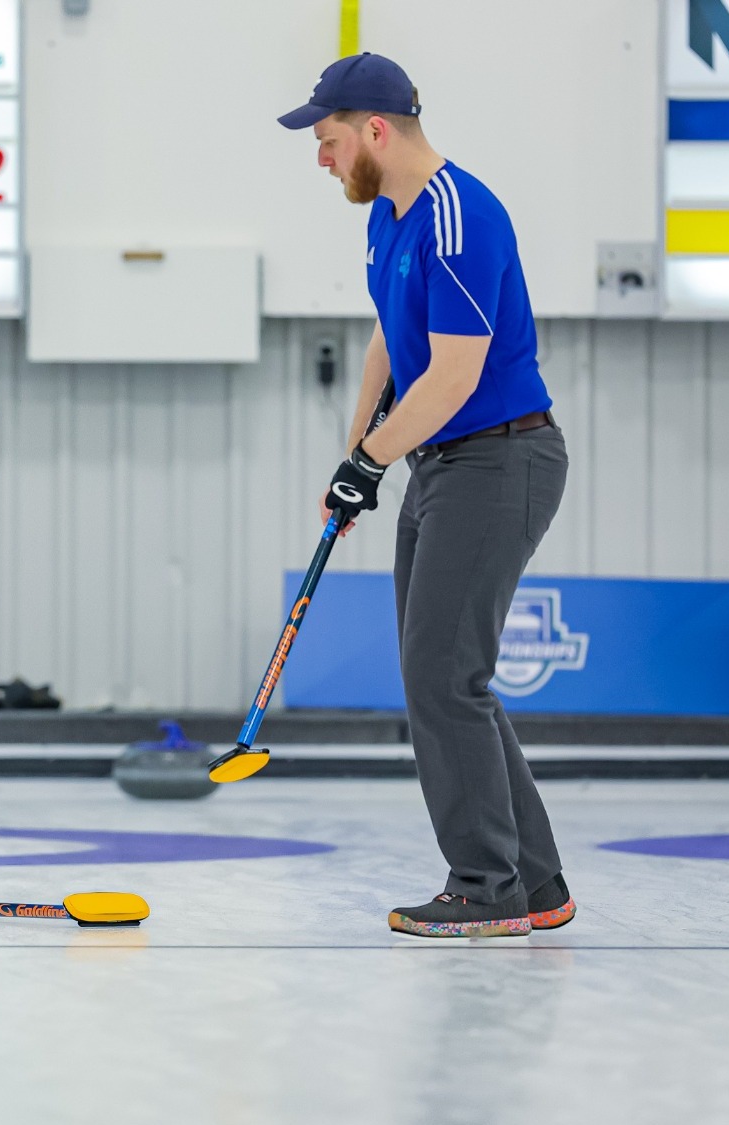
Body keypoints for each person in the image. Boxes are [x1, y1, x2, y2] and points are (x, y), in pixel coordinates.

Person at [279, 53, 575, 938]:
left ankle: (486, 887)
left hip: (500, 459)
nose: (321, 158)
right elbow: (389, 337)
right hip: (442, 465)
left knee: (445, 676)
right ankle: (535, 881)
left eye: (328, 140)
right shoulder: (390, 215)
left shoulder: (460, 215)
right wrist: (357, 455)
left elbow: (453, 374)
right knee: (445, 676)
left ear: (376, 129)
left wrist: (372, 460)